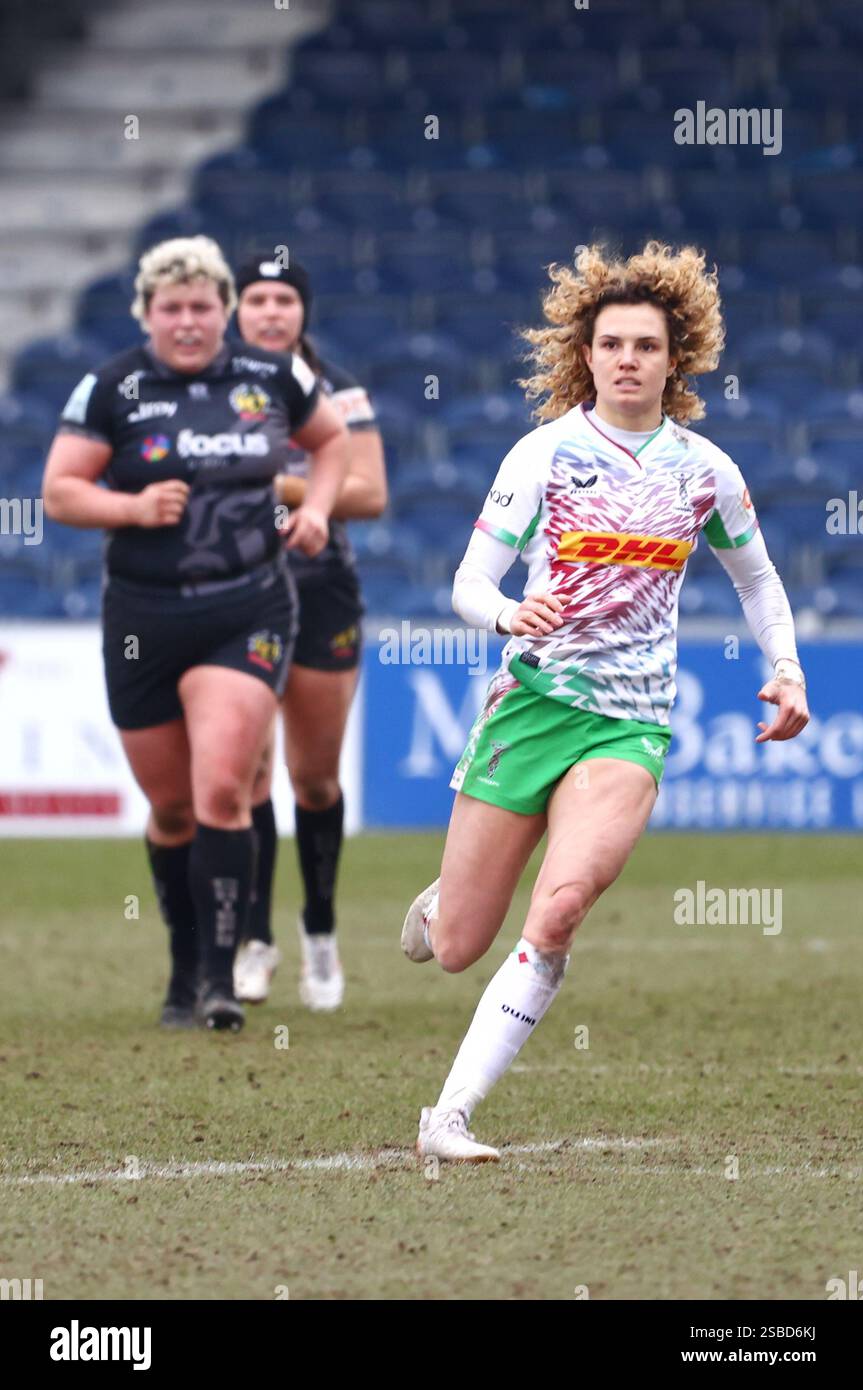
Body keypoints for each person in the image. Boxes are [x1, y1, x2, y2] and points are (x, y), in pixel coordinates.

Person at [400, 241, 810, 1161]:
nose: (628, 359)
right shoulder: (544, 453)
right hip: (531, 707)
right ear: (583, 355)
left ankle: (449, 1116)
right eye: (613, 343)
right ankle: (441, 905)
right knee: (463, 943)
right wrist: (509, 613)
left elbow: (758, 580)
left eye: (647, 346)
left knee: (560, 908)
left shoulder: (706, 470)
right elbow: (470, 580)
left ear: (678, 358)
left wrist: (787, 669)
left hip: (630, 722)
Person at [41, 236, 349, 1031]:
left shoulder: (272, 375)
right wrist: (131, 509)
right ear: (148, 314)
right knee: (172, 808)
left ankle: (220, 980)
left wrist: (315, 510)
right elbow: (62, 492)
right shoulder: (111, 386)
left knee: (223, 787)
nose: (187, 322)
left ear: (225, 312)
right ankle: (183, 965)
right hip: (143, 617)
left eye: (202, 307)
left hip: (246, 608)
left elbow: (333, 441)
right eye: (170, 309)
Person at [230, 252, 386, 1011]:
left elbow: (371, 491)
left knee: (314, 777)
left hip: (321, 592)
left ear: (303, 312)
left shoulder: (339, 390)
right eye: (255, 297)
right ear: (236, 307)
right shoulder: (212, 387)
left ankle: (319, 930)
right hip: (235, 592)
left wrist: (283, 483)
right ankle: (254, 940)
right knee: (247, 772)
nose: (269, 311)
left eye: (283, 298)